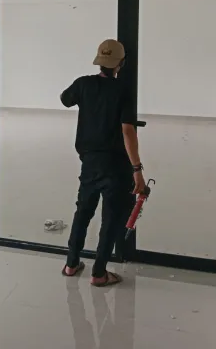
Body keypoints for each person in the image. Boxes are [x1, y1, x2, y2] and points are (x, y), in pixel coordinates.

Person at [59, 39, 146, 287]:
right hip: (115, 166)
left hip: (89, 162)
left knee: (83, 212)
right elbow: (128, 131)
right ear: (121, 64)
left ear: (99, 61)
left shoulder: (83, 84)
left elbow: (65, 99)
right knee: (111, 217)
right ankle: (99, 273)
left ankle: (71, 264)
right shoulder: (123, 90)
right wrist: (137, 169)